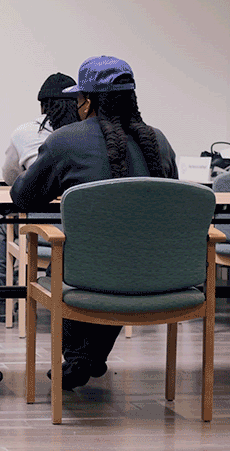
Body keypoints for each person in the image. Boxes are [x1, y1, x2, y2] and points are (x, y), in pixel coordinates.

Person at [11, 55, 177, 390]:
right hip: (158, 276)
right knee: (116, 265)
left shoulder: (66, 141)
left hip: (87, 276)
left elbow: (23, 197)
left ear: (86, 101)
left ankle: (80, 357)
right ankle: (87, 357)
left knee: (72, 265)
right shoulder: (158, 142)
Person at [0, 73, 80, 321]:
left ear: (42, 105)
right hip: (81, 228)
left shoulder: (26, 132)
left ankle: (0, 301)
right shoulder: (87, 135)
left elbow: (11, 178)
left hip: (41, 230)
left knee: (1, 224)